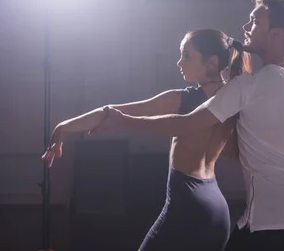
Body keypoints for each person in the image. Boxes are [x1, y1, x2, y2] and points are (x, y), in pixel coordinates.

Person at [94, 0, 284, 251]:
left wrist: (126, 120)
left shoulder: (246, 87)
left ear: (276, 35)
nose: (246, 26)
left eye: (255, 21)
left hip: (266, 220)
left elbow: (187, 124)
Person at [42, 28, 252, 251]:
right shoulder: (233, 100)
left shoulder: (182, 100)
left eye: (186, 55)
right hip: (217, 210)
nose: (179, 63)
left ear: (211, 62)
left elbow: (111, 112)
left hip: (187, 205)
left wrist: (63, 128)